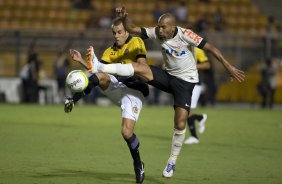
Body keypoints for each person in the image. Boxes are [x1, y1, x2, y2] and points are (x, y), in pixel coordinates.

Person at [86, 8, 245, 178]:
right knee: (142, 68)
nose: (159, 30)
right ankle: (100, 67)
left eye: (163, 27)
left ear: (171, 27)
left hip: (185, 82)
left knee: (180, 123)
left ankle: (172, 161)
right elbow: (133, 29)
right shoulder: (157, 33)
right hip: (168, 76)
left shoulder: (187, 35)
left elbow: (211, 48)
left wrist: (229, 66)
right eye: (158, 27)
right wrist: (125, 18)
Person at [64, 17, 148, 183]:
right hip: (117, 87)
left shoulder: (137, 42)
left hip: (134, 91)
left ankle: (138, 164)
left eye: (120, 32)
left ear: (126, 32)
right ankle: (73, 99)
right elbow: (97, 70)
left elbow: (142, 67)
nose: (116, 36)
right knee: (99, 76)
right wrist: (81, 60)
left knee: (126, 133)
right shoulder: (110, 51)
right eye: (114, 33)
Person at [184, 48, 210, 144]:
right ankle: (200, 118)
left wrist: (192, 65)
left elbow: (207, 65)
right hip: (184, 82)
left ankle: (194, 137)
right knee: (184, 110)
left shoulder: (197, 50)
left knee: (187, 110)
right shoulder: (179, 47)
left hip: (195, 83)